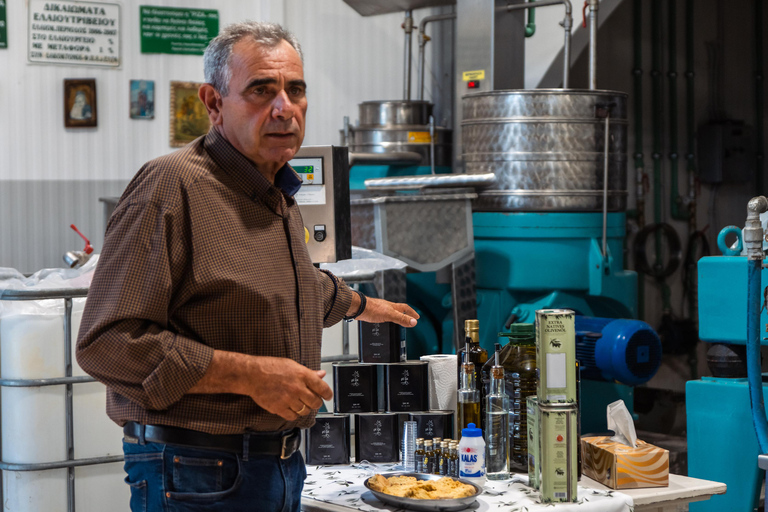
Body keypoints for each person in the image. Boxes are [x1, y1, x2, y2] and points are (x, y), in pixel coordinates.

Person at [76, 21, 419, 512]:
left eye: (295, 90)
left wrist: (362, 305)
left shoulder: (276, 189)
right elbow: (106, 344)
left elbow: (288, 287)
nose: (285, 108)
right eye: (261, 91)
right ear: (213, 104)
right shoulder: (171, 188)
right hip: (198, 472)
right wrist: (250, 376)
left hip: (277, 465)